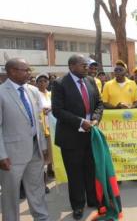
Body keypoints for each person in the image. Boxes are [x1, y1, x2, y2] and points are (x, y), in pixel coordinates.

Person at [51, 54, 103, 220]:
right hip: (70, 136)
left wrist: (95, 118)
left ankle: (93, 200)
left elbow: (99, 104)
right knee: (75, 173)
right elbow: (57, 110)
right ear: (72, 66)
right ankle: (78, 205)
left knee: (90, 169)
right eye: (83, 65)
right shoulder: (60, 84)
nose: (87, 68)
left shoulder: (90, 81)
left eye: (87, 65)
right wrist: (81, 122)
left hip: (90, 134)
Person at [0, 58, 50, 221]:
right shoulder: (1, 92)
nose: (30, 73)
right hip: (12, 154)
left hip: (35, 149)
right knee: (11, 193)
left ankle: (41, 217)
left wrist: (43, 145)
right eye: (26, 70)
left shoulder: (33, 91)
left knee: (37, 188)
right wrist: (1, 155)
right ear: (12, 71)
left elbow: (38, 119)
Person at [36, 73, 54, 189]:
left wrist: (51, 109)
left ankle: (50, 170)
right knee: (42, 153)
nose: (43, 83)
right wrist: (42, 110)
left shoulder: (51, 94)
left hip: (51, 126)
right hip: (40, 128)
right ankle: (41, 179)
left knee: (51, 151)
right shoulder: (35, 94)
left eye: (45, 81)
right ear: (37, 83)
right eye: (40, 81)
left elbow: (56, 106)